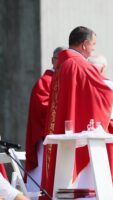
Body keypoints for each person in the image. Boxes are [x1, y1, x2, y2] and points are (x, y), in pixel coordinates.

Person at [39, 26, 113, 199]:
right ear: (84, 44)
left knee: (59, 175)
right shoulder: (79, 64)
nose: (93, 49)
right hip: (74, 131)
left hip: (60, 125)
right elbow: (104, 94)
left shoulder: (63, 63)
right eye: (93, 45)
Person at [25, 47, 65, 195]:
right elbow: (43, 108)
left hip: (60, 139)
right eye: (59, 60)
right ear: (53, 61)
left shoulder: (62, 79)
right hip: (45, 140)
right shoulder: (45, 82)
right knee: (42, 179)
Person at [87, 54, 113, 199]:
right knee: (108, 172)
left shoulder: (83, 84)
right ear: (103, 68)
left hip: (91, 132)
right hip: (110, 132)